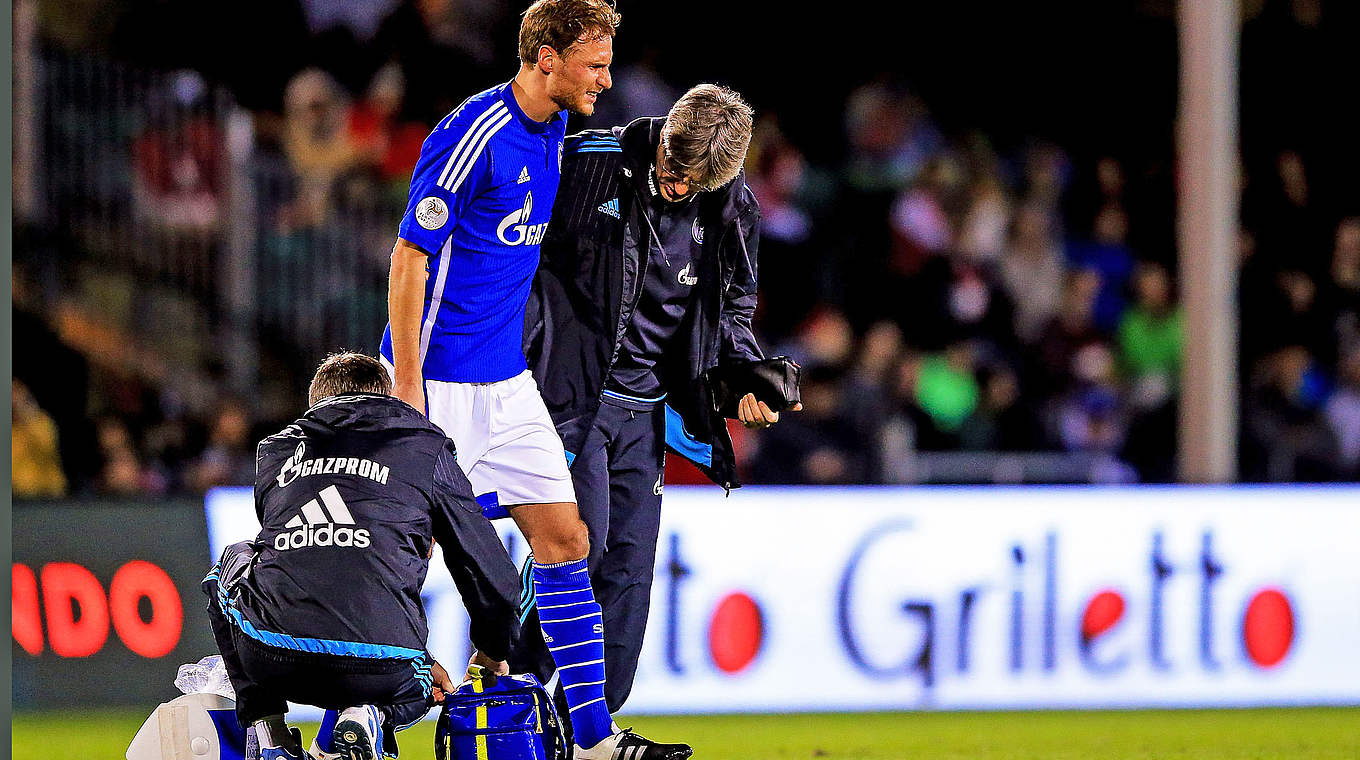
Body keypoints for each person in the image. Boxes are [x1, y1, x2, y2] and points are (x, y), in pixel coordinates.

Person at [380, 2, 684, 757]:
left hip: (508, 383)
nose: (606, 79)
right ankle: (348, 728)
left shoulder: (556, 134)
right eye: (595, 63)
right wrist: (408, 387)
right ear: (546, 57)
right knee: (400, 559)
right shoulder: (473, 132)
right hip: (436, 380)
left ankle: (590, 738)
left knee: (565, 538)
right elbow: (409, 256)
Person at [518, 84, 798, 731]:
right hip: (570, 398)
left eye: (691, 181)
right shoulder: (585, 162)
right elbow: (521, 256)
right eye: (671, 168)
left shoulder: (732, 207)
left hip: (646, 412)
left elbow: (733, 307)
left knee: (628, 576)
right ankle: (511, 671)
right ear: (665, 134)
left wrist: (745, 379)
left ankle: (582, 727)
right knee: (576, 547)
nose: (676, 184)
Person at [202, 352, 521, 760]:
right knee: (416, 686)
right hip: (388, 668)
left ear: (315, 404)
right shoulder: (426, 446)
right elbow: (493, 574)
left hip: (273, 658)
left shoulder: (276, 451)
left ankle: (268, 729)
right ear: (386, 399)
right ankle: (372, 712)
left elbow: (308, 566)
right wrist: (490, 652)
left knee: (232, 561)